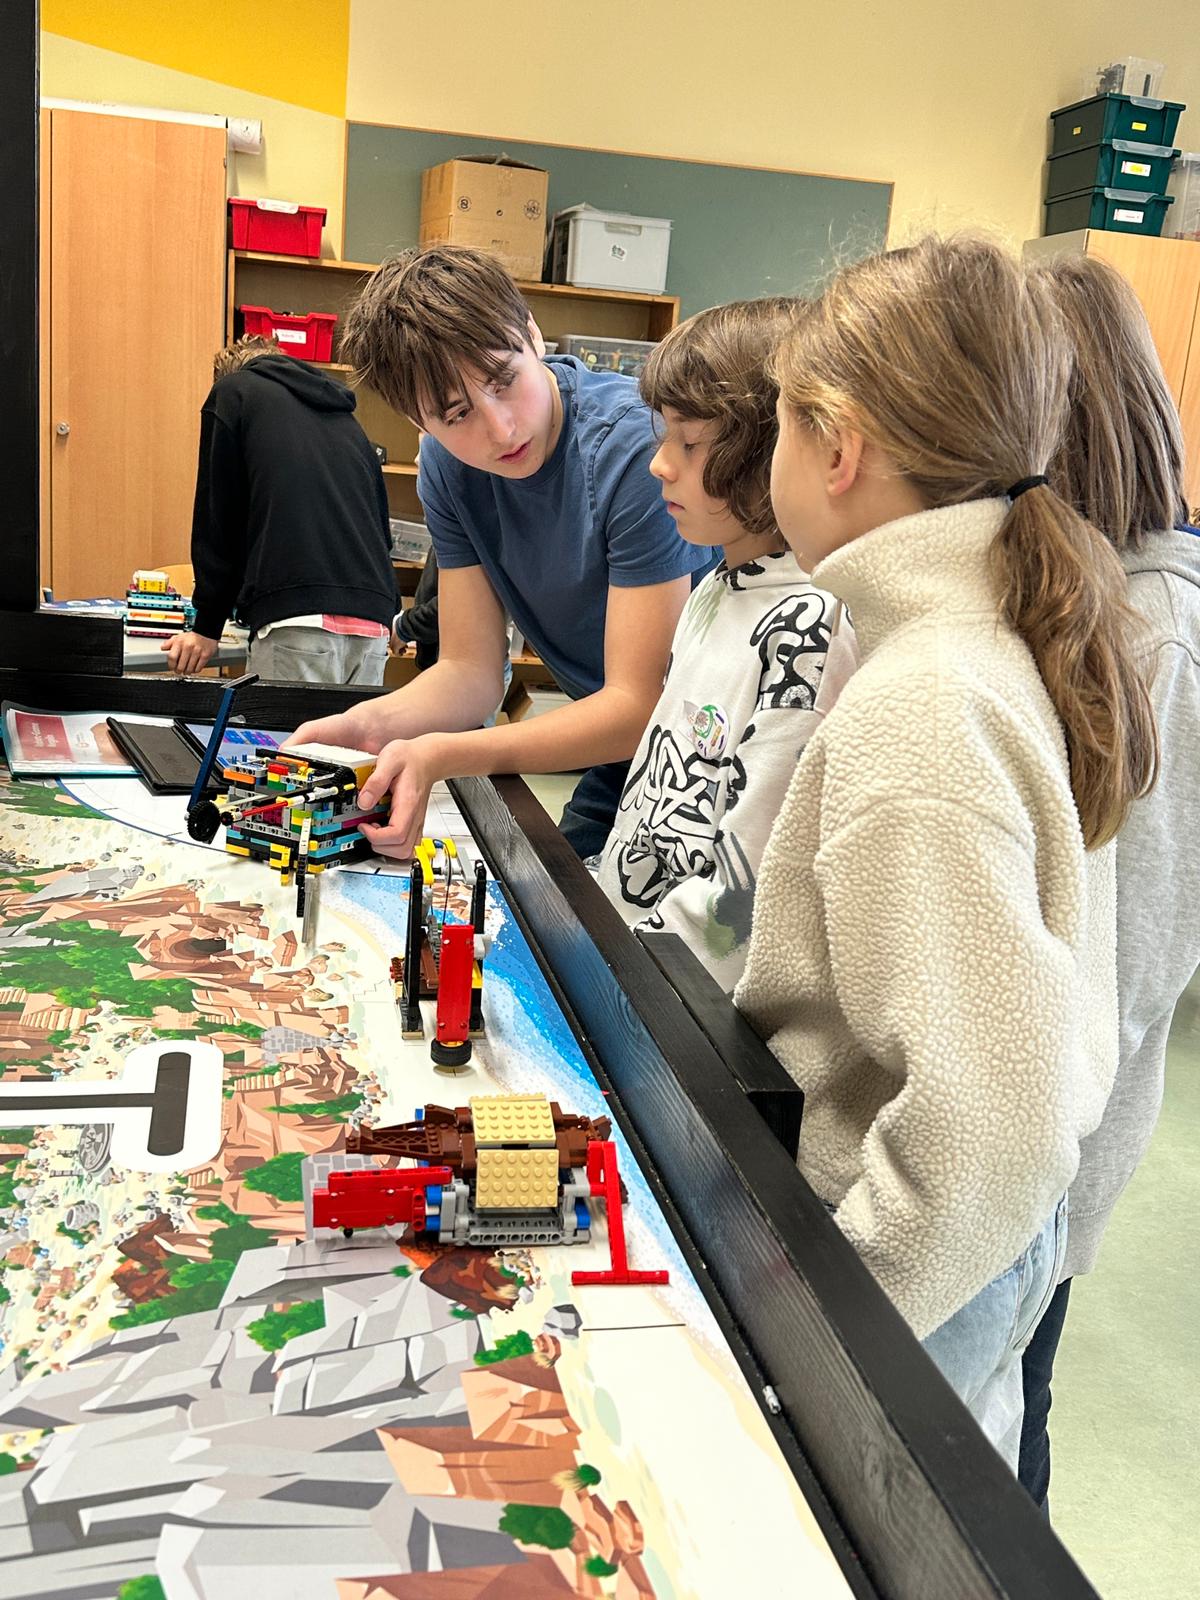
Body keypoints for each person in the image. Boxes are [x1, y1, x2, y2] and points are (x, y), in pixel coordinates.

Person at [734, 236, 1158, 1470]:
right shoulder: (974, 637)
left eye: (779, 423)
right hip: (964, 1251)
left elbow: (993, 1125)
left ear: (840, 447)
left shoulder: (925, 700)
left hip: (914, 1270)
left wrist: (822, 1344)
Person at [291, 245, 713, 859]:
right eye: (456, 414)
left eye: (504, 380)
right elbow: (470, 670)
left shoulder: (633, 450)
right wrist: (368, 725)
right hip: (624, 746)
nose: (500, 429)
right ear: (419, 422)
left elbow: (637, 703)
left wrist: (447, 754)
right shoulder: (448, 470)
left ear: (533, 335)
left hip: (703, 745)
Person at [1017, 254, 1200, 1508]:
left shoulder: (1155, 630)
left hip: (1051, 1142)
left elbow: (1128, 959)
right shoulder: (1074, 592)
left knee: (996, 1432)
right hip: (1021, 1128)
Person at [595, 299, 854, 991]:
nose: (659, 465)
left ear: (767, 450)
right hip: (632, 950)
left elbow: (745, 893)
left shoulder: (808, 628)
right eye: (664, 437)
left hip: (682, 992)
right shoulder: (716, 585)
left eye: (688, 443)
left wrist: (628, 976)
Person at [165, 336, 396, 686]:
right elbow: (380, 525)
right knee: (350, 727)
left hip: (298, 620)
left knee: (279, 726)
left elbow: (219, 516)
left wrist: (207, 627)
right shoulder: (344, 418)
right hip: (372, 621)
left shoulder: (234, 391)